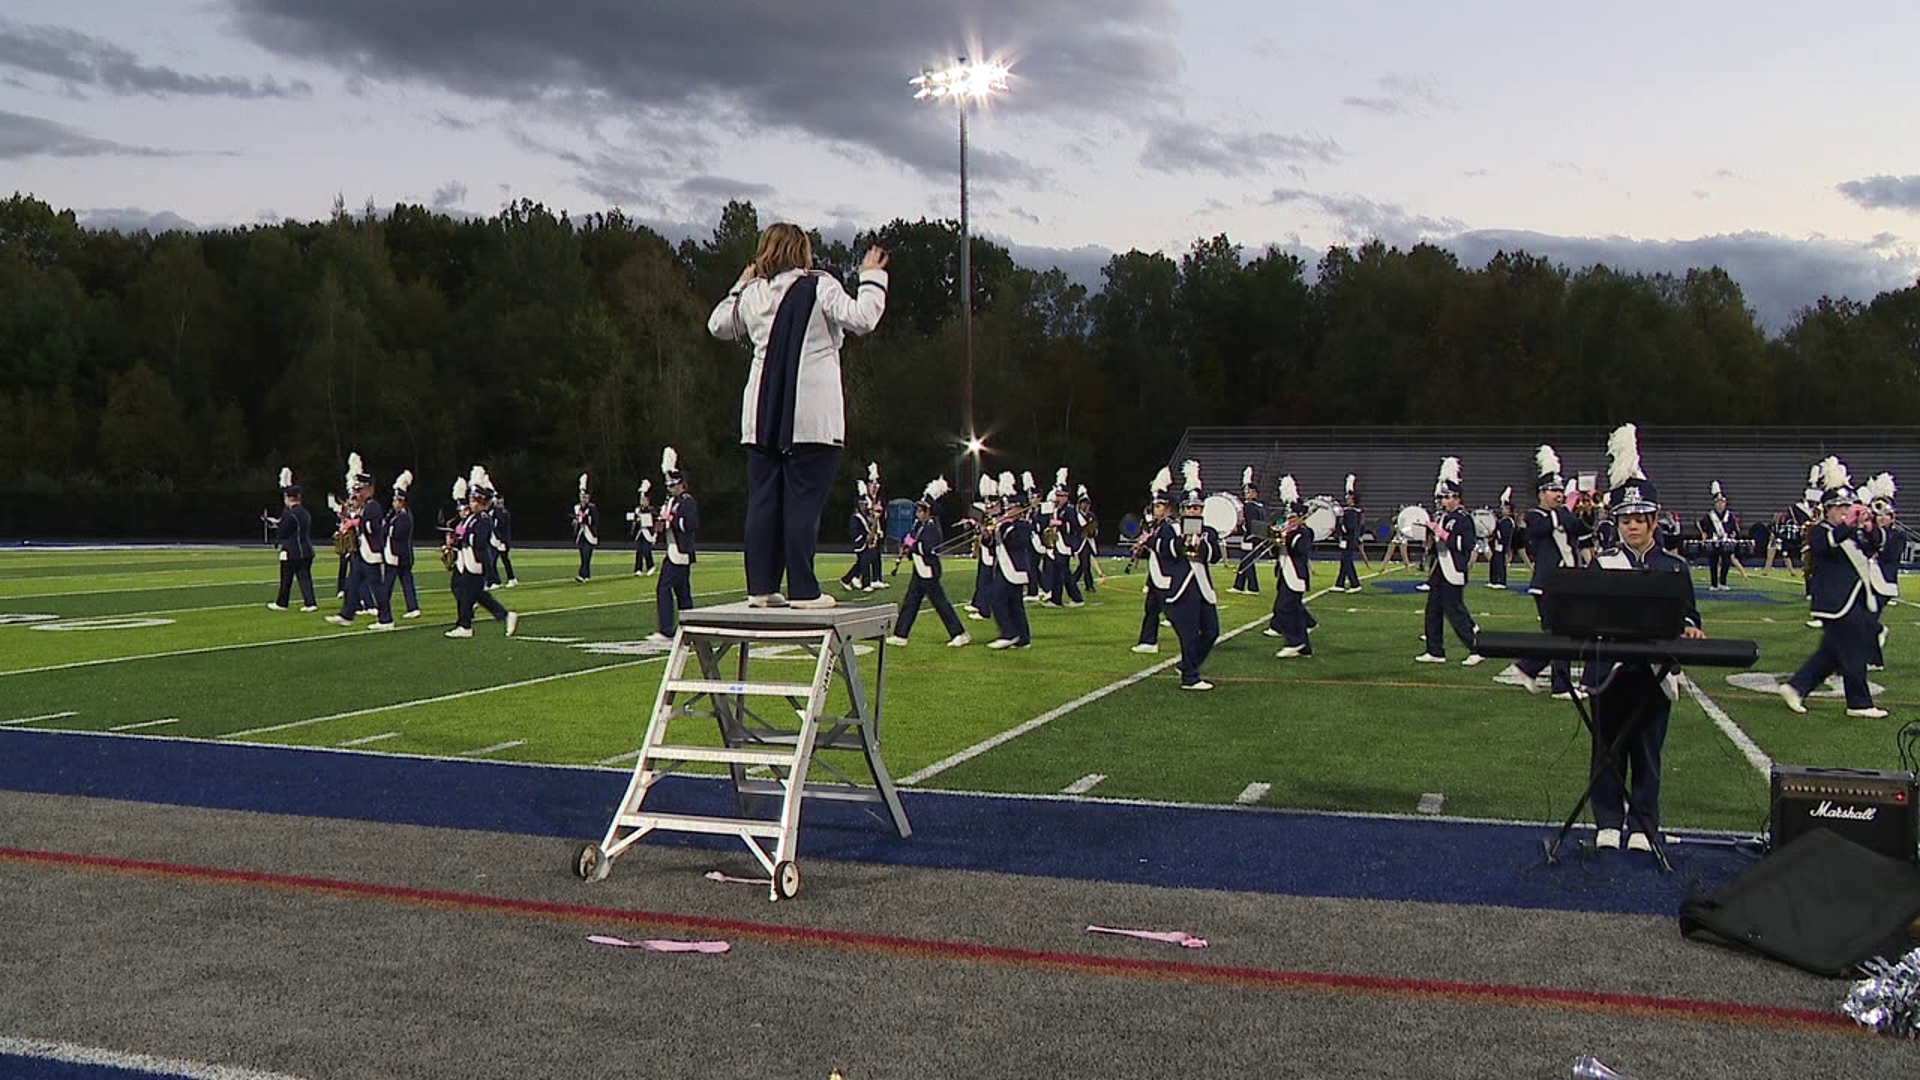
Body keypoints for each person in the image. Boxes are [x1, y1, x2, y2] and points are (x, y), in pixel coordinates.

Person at [707, 222, 888, 609]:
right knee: (803, 503)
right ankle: (803, 590)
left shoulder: (753, 294)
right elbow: (863, 318)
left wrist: (740, 283)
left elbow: (718, 324)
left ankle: (761, 587)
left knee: (764, 502)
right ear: (801, 252)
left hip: (760, 415)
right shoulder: (820, 285)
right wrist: (872, 276)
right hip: (812, 417)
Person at [1579, 423, 1704, 854]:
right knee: (1607, 750)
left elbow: (1690, 612)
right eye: (1626, 520)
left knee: (1648, 752)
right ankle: (1609, 821)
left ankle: (1645, 823)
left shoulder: (1674, 566)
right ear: (1616, 523)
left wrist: (1690, 625)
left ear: (1654, 521)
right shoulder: (1602, 564)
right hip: (1611, 669)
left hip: (1654, 669)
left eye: (1640, 520)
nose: (1633, 527)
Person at [1780, 457, 1887, 718]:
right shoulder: (1821, 530)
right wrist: (1849, 525)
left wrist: (1870, 524)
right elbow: (1826, 544)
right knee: (1852, 652)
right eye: (1839, 507)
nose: (1844, 510)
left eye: (1847, 506)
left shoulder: (1853, 531)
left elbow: (1876, 545)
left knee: (1833, 653)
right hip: (1834, 602)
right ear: (1827, 510)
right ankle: (1859, 704)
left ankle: (1796, 687)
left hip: (1854, 601)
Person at [1515, 445, 1588, 698]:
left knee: (1562, 633)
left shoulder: (1561, 516)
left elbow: (1580, 529)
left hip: (1566, 582)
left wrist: (1588, 512)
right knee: (1560, 634)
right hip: (1548, 583)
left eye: (1560, 490)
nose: (1558, 494)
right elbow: (1542, 529)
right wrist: (1566, 509)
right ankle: (1531, 669)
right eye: (1554, 490)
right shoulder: (1535, 516)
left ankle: (1546, 677)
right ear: (1541, 494)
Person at [1152, 461, 1224, 690]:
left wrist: (1200, 545)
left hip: (1202, 587)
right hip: (1181, 588)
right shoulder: (1169, 528)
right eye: (1190, 508)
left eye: (1198, 508)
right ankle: (1190, 678)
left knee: (1212, 631)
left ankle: (1187, 665)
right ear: (1182, 509)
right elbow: (1162, 549)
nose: (1194, 512)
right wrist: (1182, 542)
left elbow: (1213, 556)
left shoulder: (1209, 532)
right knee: (1189, 634)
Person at [885, 478, 970, 648]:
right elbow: (913, 540)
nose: (918, 512)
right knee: (911, 602)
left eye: (921, 510)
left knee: (940, 604)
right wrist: (907, 545)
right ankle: (901, 635)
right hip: (920, 569)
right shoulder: (920, 526)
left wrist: (912, 547)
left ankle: (959, 633)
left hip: (929, 571)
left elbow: (928, 547)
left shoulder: (932, 527)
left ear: (928, 512)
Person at [1415, 456, 1481, 666]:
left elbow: (1465, 544)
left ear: (1458, 498)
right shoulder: (1443, 517)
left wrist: (1441, 534)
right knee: (1432, 610)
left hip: (1454, 568)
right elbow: (1438, 543)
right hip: (1439, 570)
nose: (1444, 501)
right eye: (1443, 498)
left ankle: (1476, 648)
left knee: (1455, 611)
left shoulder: (1464, 519)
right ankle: (1435, 651)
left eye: (1448, 497)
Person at [446, 467, 518, 639]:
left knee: (470, 592)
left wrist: (461, 539)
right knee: (467, 591)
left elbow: (477, 541)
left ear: (484, 502)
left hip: (476, 561)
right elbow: (461, 532)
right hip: (465, 560)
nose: (473, 503)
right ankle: (501, 616)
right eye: (472, 500)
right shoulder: (470, 518)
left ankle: (466, 625)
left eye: (477, 500)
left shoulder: (484, 520)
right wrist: (453, 541)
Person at [328, 454, 395, 630]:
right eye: (358, 489)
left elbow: (373, 527)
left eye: (362, 489)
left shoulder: (373, 506)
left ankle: (386, 619)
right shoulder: (364, 506)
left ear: (370, 489)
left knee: (376, 587)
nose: (359, 493)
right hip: (361, 550)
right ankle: (347, 614)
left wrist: (356, 522)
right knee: (352, 583)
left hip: (371, 551)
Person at [650, 448, 699, 641]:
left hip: (681, 552)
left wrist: (672, 521)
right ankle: (690, 627)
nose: (669, 489)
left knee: (665, 588)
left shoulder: (687, 502)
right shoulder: (671, 501)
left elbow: (691, 524)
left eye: (673, 486)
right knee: (682, 592)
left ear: (681, 485)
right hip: (672, 550)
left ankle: (666, 629)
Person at [1268, 475, 1317, 658]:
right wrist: (1276, 541)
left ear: (1300, 518)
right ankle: (1305, 647)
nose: (1289, 521)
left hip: (1296, 576)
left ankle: (1295, 641)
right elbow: (1275, 553)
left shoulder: (1305, 533)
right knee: (1294, 609)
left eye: (1293, 517)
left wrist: (1285, 540)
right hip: (1284, 574)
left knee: (1284, 609)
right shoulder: (1288, 532)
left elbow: (1300, 550)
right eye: (1288, 518)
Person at [986, 470, 1035, 650]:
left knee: (997, 599)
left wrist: (1003, 526)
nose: (1006, 511)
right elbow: (993, 545)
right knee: (1015, 604)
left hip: (1015, 568)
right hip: (1003, 568)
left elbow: (1015, 542)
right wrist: (986, 535)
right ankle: (1023, 638)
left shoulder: (1022, 526)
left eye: (1010, 508)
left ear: (1018, 509)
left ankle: (1009, 633)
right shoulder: (1004, 525)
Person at [1132, 470, 1173, 655]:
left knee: (1176, 611)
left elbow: (1168, 549)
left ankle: (1200, 635)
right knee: (1151, 608)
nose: (1155, 509)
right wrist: (1141, 552)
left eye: (1159, 506)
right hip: (1156, 576)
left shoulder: (1170, 527)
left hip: (1168, 576)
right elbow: (1154, 552)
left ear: (1167, 508)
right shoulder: (1157, 526)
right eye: (1155, 506)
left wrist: (1148, 543)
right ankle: (1149, 641)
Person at [265, 467, 317, 612]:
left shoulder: (290, 514)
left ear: (288, 498)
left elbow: (283, 532)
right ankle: (310, 602)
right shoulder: (305, 513)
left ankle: (282, 603)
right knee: (305, 578)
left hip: (292, 551)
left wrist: (277, 524)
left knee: (286, 579)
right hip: (306, 549)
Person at [383, 470, 421, 620]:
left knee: (389, 583)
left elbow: (396, 533)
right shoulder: (398, 515)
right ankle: (412, 607)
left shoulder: (404, 516)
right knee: (405, 581)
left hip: (399, 555)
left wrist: (386, 526)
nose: (393, 503)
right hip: (398, 554)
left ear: (401, 501)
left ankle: (384, 606)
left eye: (396, 500)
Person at [1044, 468, 1085, 607]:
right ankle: (1059, 599)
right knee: (1059, 572)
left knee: (1063, 573)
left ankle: (1075, 598)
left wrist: (1059, 523)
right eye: (1057, 495)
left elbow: (1075, 527)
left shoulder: (1070, 510)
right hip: (1057, 544)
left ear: (1067, 497)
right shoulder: (1057, 510)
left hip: (1065, 545)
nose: (1058, 498)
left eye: (1061, 496)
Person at [1230, 467, 1266, 595]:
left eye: (1249, 492)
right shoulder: (1260, 506)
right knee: (1245, 560)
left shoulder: (1250, 506)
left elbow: (1250, 523)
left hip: (1250, 537)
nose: (1247, 494)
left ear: (1255, 493)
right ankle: (1238, 585)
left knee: (1247, 561)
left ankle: (1253, 587)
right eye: (1246, 492)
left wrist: (1243, 530)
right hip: (1258, 535)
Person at [1698, 482, 1738, 591]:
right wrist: (1705, 536)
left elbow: (1734, 529)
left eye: (1722, 502)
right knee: (1713, 563)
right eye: (1718, 502)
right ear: (1714, 503)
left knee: (1726, 563)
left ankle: (1723, 583)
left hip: (1725, 541)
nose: (1720, 504)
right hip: (1713, 541)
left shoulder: (1730, 516)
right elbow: (1703, 527)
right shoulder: (1709, 516)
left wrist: (1733, 535)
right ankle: (1714, 584)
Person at [840, 480, 877, 592]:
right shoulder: (856, 517)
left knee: (860, 564)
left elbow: (870, 526)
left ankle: (846, 579)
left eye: (866, 505)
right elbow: (854, 532)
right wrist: (864, 537)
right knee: (864, 563)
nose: (865, 507)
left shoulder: (865, 516)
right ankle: (865, 584)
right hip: (860, 543)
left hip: (866, 543)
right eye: (863, 505)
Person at [1333, 474, 1364, 593]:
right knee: (1344, 561)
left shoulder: (1352, 512)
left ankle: (1355, 584)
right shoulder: (1354, 511)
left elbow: (1349, 527)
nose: (1347, 498)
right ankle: (1339, 584)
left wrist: (1340, 526)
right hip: (1349, 539)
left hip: (1349, 539)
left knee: (1347, 561)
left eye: (1349, 497)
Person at [1486, 488, 1514, 589]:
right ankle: (1493, 580)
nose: (1502, 510)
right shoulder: (1503, 520)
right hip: (1497, 543)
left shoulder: (1508, 521)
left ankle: (1501, 581)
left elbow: (1504, 535)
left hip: (1502, 545)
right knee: (1494, 561)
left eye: (1505, 508)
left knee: (1500, 562)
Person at [1073, 487, 1099, 595]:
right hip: (1080, 542)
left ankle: (1073, 580)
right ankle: (1089, 584)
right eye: (1083, 503)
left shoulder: (1091, 515)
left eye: (1087, 503)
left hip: (1089, 542)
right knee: (1085, 564)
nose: (1085, 505)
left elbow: (1095, 529)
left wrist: (1092, 532)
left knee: (1084, 564)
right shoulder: (1075, 515)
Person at [572, 474, 598, 583]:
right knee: (583, 555)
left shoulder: (592, 507)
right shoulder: (577, 507)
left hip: (590, 534)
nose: (584, 499)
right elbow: (577, 519)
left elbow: (595, 521)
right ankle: (586, 575)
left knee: (587, 554)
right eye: (582, 497)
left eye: (586, 497)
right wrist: (575, 522)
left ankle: (582, 575)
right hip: (581, 534)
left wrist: (585, 520)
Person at [491, 489, 518, 588]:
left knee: (504, 560)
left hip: (502, 540)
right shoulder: (495, 511)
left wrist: (501, 541)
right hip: (495, 540)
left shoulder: (503, 512)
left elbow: (499, 526)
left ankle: (510, 578)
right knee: (493, 561)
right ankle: (496, 580)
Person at [631, 480, 658, 576]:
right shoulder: (637, 509)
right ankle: (638, 569)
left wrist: (655, 534)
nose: (642, 502)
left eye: (644, 500)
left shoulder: (651, 510)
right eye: (641, 500)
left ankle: (651, 566)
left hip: (648, 533)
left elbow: (655, 522)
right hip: (640, 533)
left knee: (647, 550)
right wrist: (636, 519)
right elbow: (634, 521)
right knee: (639, 551)